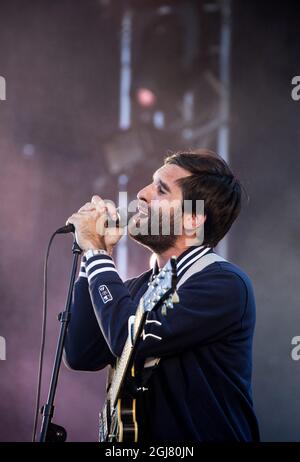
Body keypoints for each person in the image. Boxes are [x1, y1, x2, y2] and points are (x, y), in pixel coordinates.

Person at [64, 149, 260, 442]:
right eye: (150, 184)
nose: (142, 194)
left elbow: (128, 338)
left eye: (161, 189)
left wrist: (94, 251)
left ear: (193, 219)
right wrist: (94, 257)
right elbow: (81, 353)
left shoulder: (223, 285)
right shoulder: (135, 289)